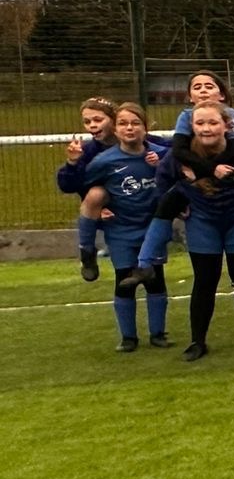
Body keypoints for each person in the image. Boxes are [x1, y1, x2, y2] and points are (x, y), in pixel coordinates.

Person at [126, 101, 234, 361]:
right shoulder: (180, 157)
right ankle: (197, 342)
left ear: (226, 125)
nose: (206, 128)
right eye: (200, 123)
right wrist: (178, 206)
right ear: (191, 127)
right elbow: (162, 182)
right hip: (202, 222)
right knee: (204, 281)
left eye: (212, 122)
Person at [80, 102, 171, 350]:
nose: (129, 128)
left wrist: (161, 164)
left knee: (155, 280)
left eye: (135, 123)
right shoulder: (104, 161)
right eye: (123, 123)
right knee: (124, 280)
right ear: (115, 130)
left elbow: (178, 168)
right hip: (120, 229)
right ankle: (128, 338)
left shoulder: (160, 154)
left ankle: (158, 334)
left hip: (152, 228)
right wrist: (99, 207)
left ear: (145, 128)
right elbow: (87, 187)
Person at [57, 96, 120, 280]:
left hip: (140, 203)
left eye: (98, 120)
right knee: (95, 194)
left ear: (114, 119)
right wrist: (72, 163)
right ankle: (87, 253)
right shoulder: (88, 152)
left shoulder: (138, 141)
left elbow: (166, 151)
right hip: (111, 210)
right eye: (87, 121)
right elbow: (67, 186)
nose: (92, 125)